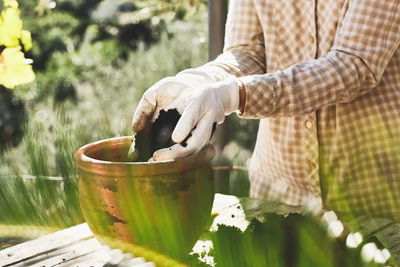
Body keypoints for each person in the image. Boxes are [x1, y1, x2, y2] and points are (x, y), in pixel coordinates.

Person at [132, 0, 400, 220]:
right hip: (278, 196)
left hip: (372, 196)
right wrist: (204, 79)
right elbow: (247, 53)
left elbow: (354, 65)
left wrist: (235, 94)